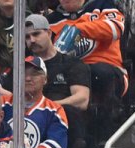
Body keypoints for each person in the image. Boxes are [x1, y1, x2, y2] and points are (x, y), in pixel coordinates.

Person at [47, 0, 128, 136]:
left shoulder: (102, 6)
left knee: (100, 73)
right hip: (72, 74)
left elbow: (116, 28)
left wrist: (79, 29)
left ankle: (108, 137)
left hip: (109, 69)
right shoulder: (51, 20)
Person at [24, 14, 90, 148]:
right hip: (29, 120)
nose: (32, 40)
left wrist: (49, 107)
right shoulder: (21, 65)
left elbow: (82, 99)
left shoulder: (71, 63)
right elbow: (10, 97)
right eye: (27, 37)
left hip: (64, 120)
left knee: (70, 112)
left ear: (48, 33)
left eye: (36, 34)